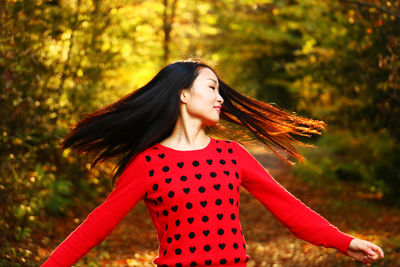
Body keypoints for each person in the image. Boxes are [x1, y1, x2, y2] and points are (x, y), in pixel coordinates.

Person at [42, 59, 384, 267]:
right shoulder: (148, 164)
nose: (220, 97)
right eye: (211, 87)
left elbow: (288, 209)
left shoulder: (231, 155)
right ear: (183, 94)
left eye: (220, 89)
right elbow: (96, 226)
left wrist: (344, 241)